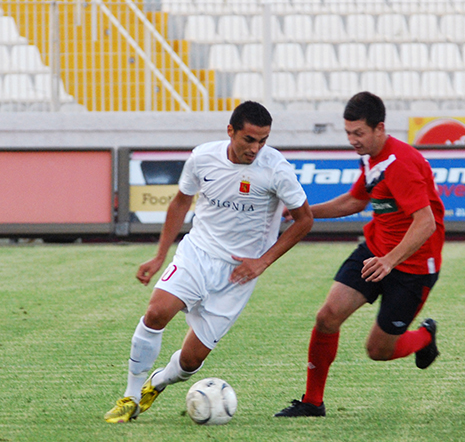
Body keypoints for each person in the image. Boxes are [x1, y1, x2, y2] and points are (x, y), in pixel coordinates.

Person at [105, 101, 314, 423]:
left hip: (238, 275)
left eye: (263, 140)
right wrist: (160, 255)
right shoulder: (203, 157)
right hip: (198, 253)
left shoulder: (276, 169)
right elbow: (180, 202)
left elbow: (304, 220)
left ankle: (157, 382)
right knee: (156, 312)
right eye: (249, 139)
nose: (256, 148)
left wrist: (262, 262)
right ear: (230, 131)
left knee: (190, 362)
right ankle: (130, 397)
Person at [275, 91, 444, 417]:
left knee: (378, 351)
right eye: (348, 132)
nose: (352, 140)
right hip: (375, 252)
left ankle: (424, 337)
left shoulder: (401, 164)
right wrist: (303, 212)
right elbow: (355, 201)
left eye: (359, 133)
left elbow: (427, 223)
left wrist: (390, 260)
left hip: (413, 267)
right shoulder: (370, 157)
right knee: (327, 316)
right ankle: (312, 402)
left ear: (380, 128)